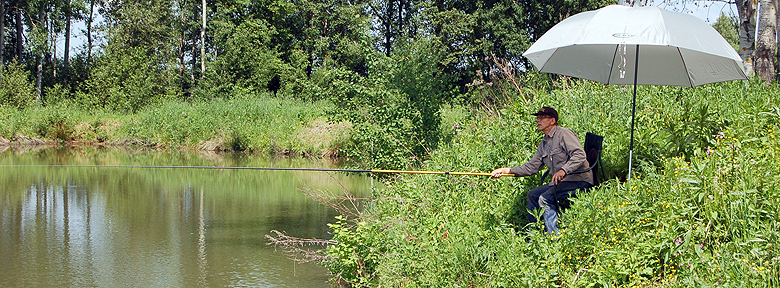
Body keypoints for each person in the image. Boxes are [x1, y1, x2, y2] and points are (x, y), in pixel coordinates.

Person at [490, 107, 593, 234]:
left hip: (578, 179)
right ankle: (535, 235)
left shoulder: (564, 134)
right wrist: (507, 170)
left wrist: (563, 170)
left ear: (552, 120)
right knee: (533, 194)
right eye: (538, 118)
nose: (538, 120)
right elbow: (531, 167)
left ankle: (554, 238)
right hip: (561, 183)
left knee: (545, 198)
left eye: (542, 118)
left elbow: (580, 155)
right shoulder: (544, 143)